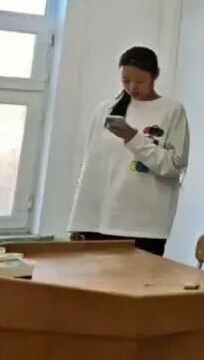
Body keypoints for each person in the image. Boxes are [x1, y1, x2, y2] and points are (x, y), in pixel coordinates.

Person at [68, 47, 189, 256]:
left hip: (143, 228)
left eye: (140, 81)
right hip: (97, 224)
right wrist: (78, 220)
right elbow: (89, 167)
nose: (132, 87)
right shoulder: (105, 110)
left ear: (155, 75)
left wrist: (133, 138)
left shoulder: (171, 110)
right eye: (126, 80)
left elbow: (174, 166)